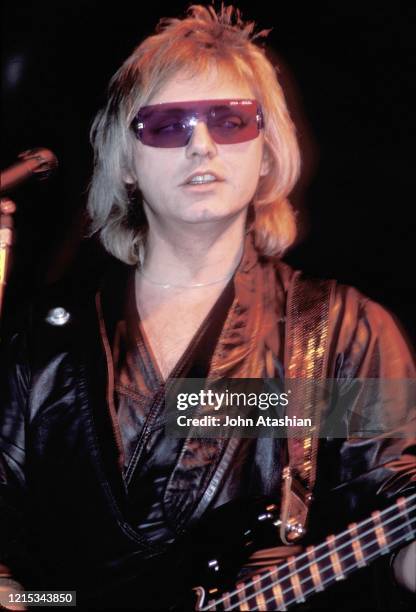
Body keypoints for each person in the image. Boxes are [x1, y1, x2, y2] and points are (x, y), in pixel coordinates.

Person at [0, 3, 415, 610]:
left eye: (230, 119)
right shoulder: (46, 339)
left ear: (267, 150)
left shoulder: (338, 332)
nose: (201, 144)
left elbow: (393, 498)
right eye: (168, 125)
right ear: (129, 164)